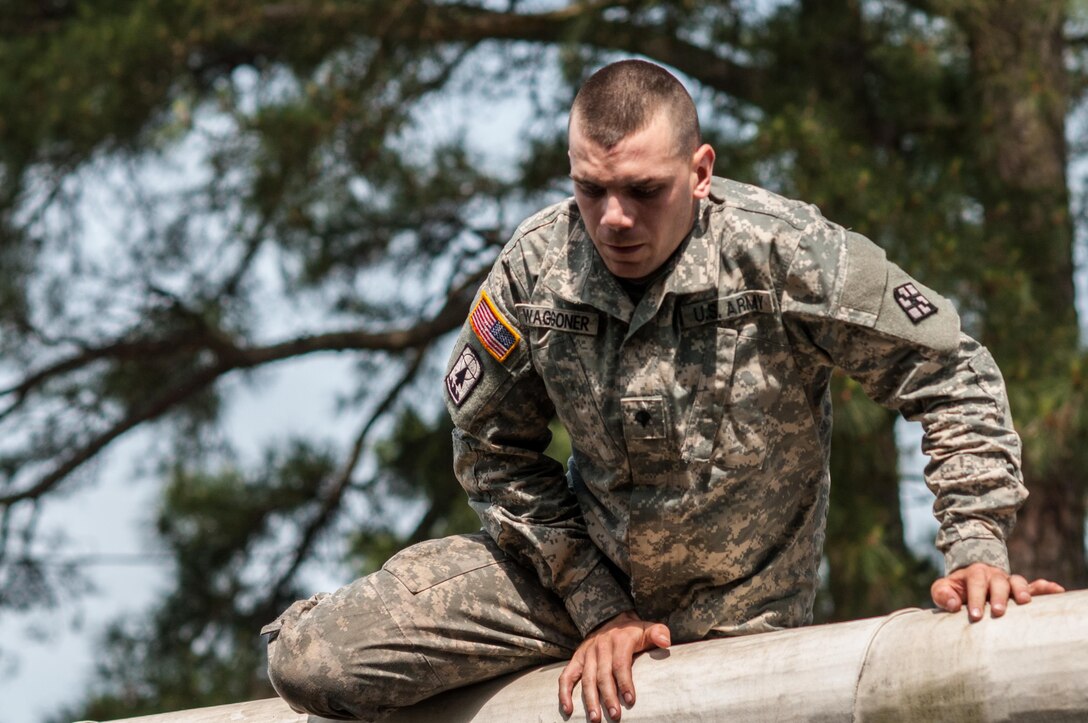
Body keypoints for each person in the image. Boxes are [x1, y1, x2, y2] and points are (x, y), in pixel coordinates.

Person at [263, 59, 1063, 722]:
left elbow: (951, 370)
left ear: (700, 171)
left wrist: (976, 544)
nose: (613, 219)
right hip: (569, 587)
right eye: (590, 188)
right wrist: (597, 606)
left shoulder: (785, 253)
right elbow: (491, 450)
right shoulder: (536, 270)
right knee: (314, 662)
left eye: (643, 190)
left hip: (739, 615)